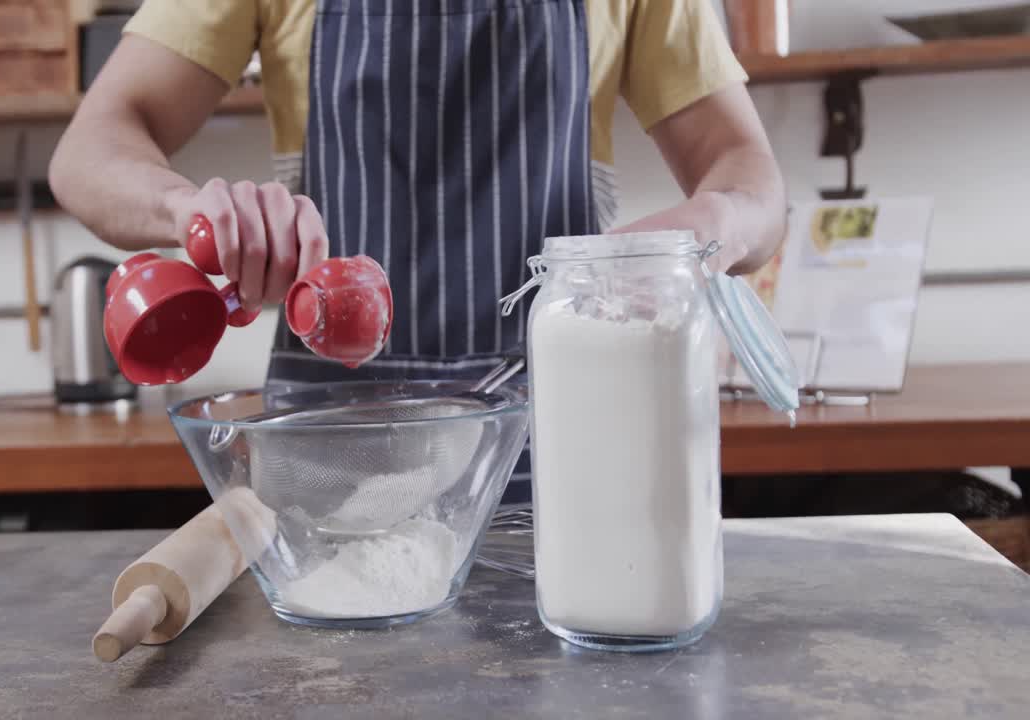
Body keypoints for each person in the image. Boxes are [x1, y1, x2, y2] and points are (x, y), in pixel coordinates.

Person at [50, 0, 786, 503]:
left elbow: (752, 180)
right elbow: (89, 150)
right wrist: (189, 209)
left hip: (564, 432)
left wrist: (706, 228)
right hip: (332, 455)